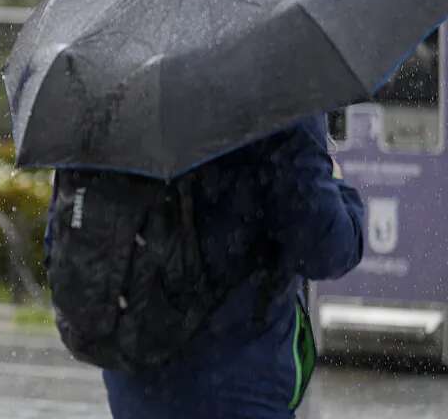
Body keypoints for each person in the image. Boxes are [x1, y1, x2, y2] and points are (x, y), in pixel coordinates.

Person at [45, 114, 364, 419]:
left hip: (135, 379)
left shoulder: (109, 91)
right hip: (239, 382)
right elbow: (325, 249)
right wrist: (338, 187)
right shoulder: (276, 90)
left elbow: (65, 238)